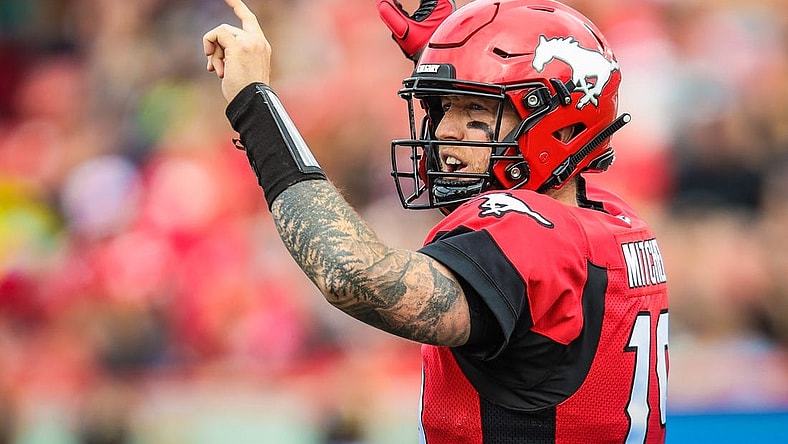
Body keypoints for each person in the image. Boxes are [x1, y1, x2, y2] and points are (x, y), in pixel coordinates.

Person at [203, 0, 669, 442]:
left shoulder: (534, 234)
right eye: (445, 106)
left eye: (476, 111)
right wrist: (456, 59)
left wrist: (255, 107)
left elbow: (352, 275)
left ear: (563, 126)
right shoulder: (613, 218)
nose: (445, 130)